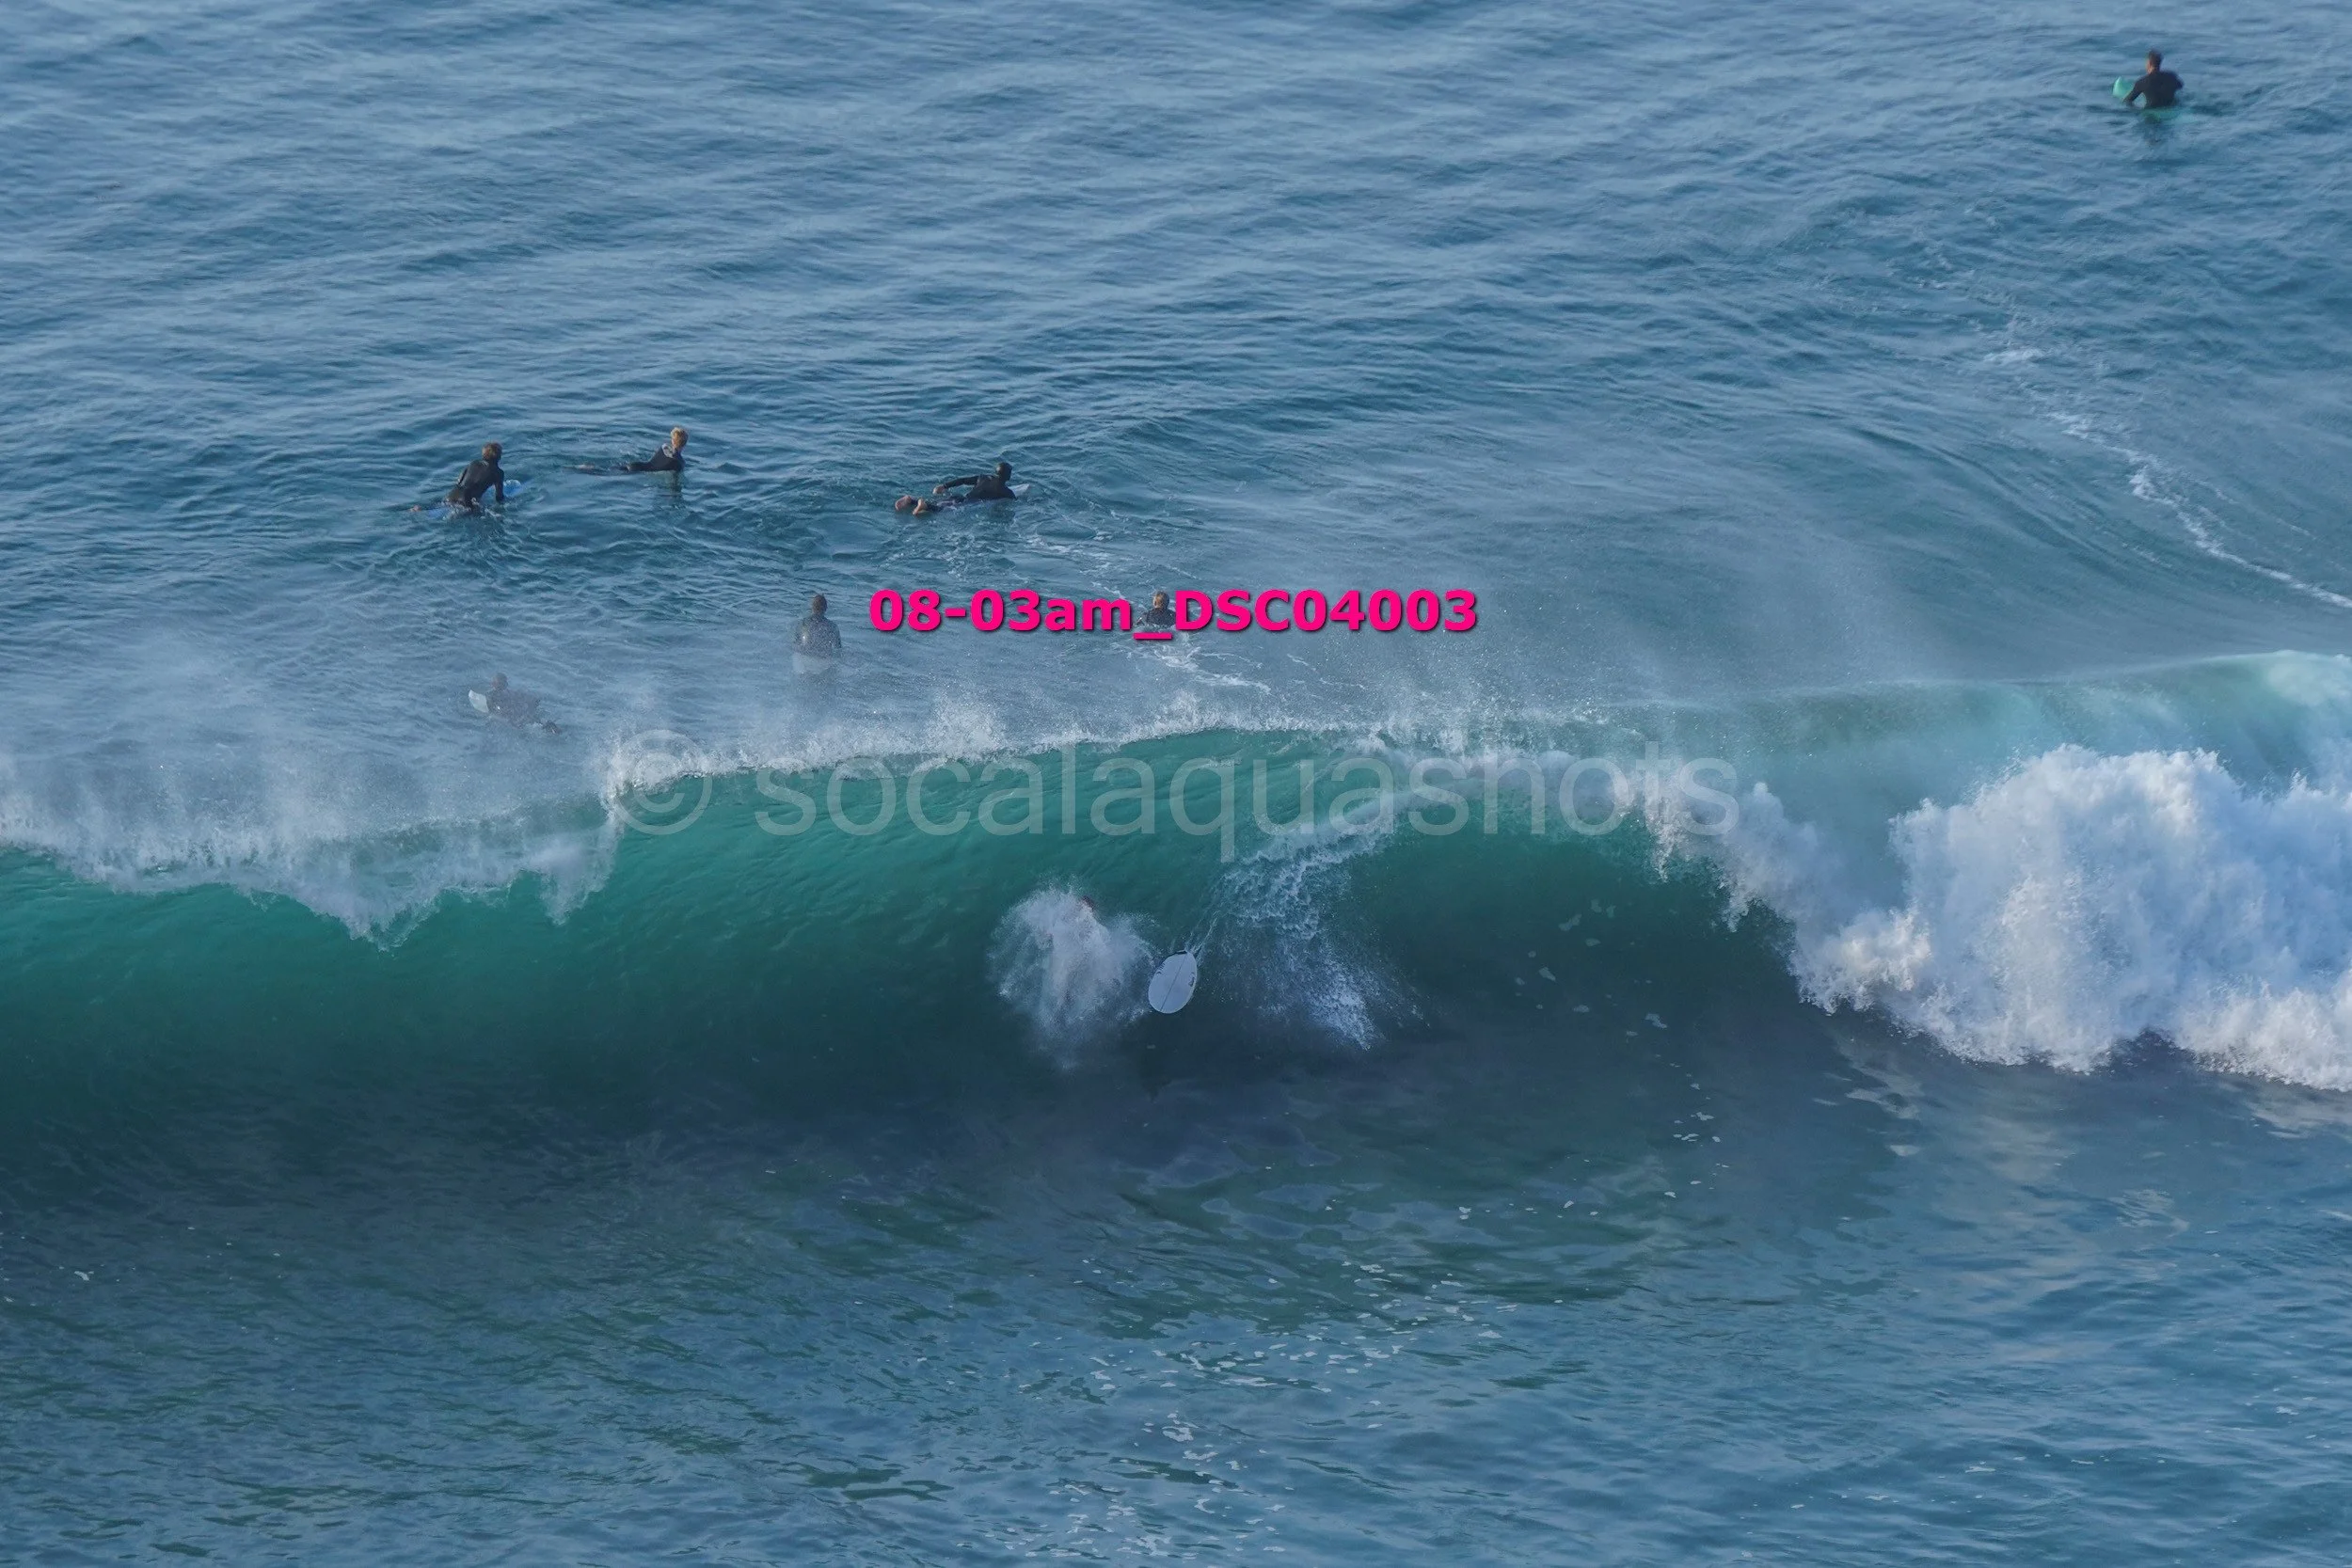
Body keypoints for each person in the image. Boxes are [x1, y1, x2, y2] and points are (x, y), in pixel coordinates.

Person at [897, 461, 1015, 514]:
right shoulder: (1005, 491)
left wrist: (944, 486)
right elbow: (1015, 501)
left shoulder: (983, 477)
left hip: (961, 496)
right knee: (940, 510)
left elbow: (963, 480)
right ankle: (923, 505)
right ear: (1007, 476)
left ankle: (911, 500)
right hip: (969, 503)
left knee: (939, 502)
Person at [482, 673, 560, 735]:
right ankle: (552, 728)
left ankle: (551, 728)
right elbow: (531, 699)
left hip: (515, 718)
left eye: (499, 683)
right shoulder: (510, 693)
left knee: (535, 723)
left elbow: (494, 709)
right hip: (520, 714)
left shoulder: (492, 695)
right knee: (538, 722)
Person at [445, 442, 505, 511]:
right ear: (499, 456)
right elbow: (499, 497)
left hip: (452, 495)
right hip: (467, 501)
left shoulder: (473, 463)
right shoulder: (498, 473)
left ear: (483, 454)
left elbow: (459, 481)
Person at [621, 427, 689, 474]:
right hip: (639, 473)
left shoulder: (665, 447)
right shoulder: (680, 462)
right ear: (685, 444)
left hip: (635, 465)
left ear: (673, 441)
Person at [795, 594, 842, 659]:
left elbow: (796, 644)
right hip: (824, 661)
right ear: (826, 608)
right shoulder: (833, 626)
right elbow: (838, 649)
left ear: (812, 607)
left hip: (804, 660)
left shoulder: (803, 623)